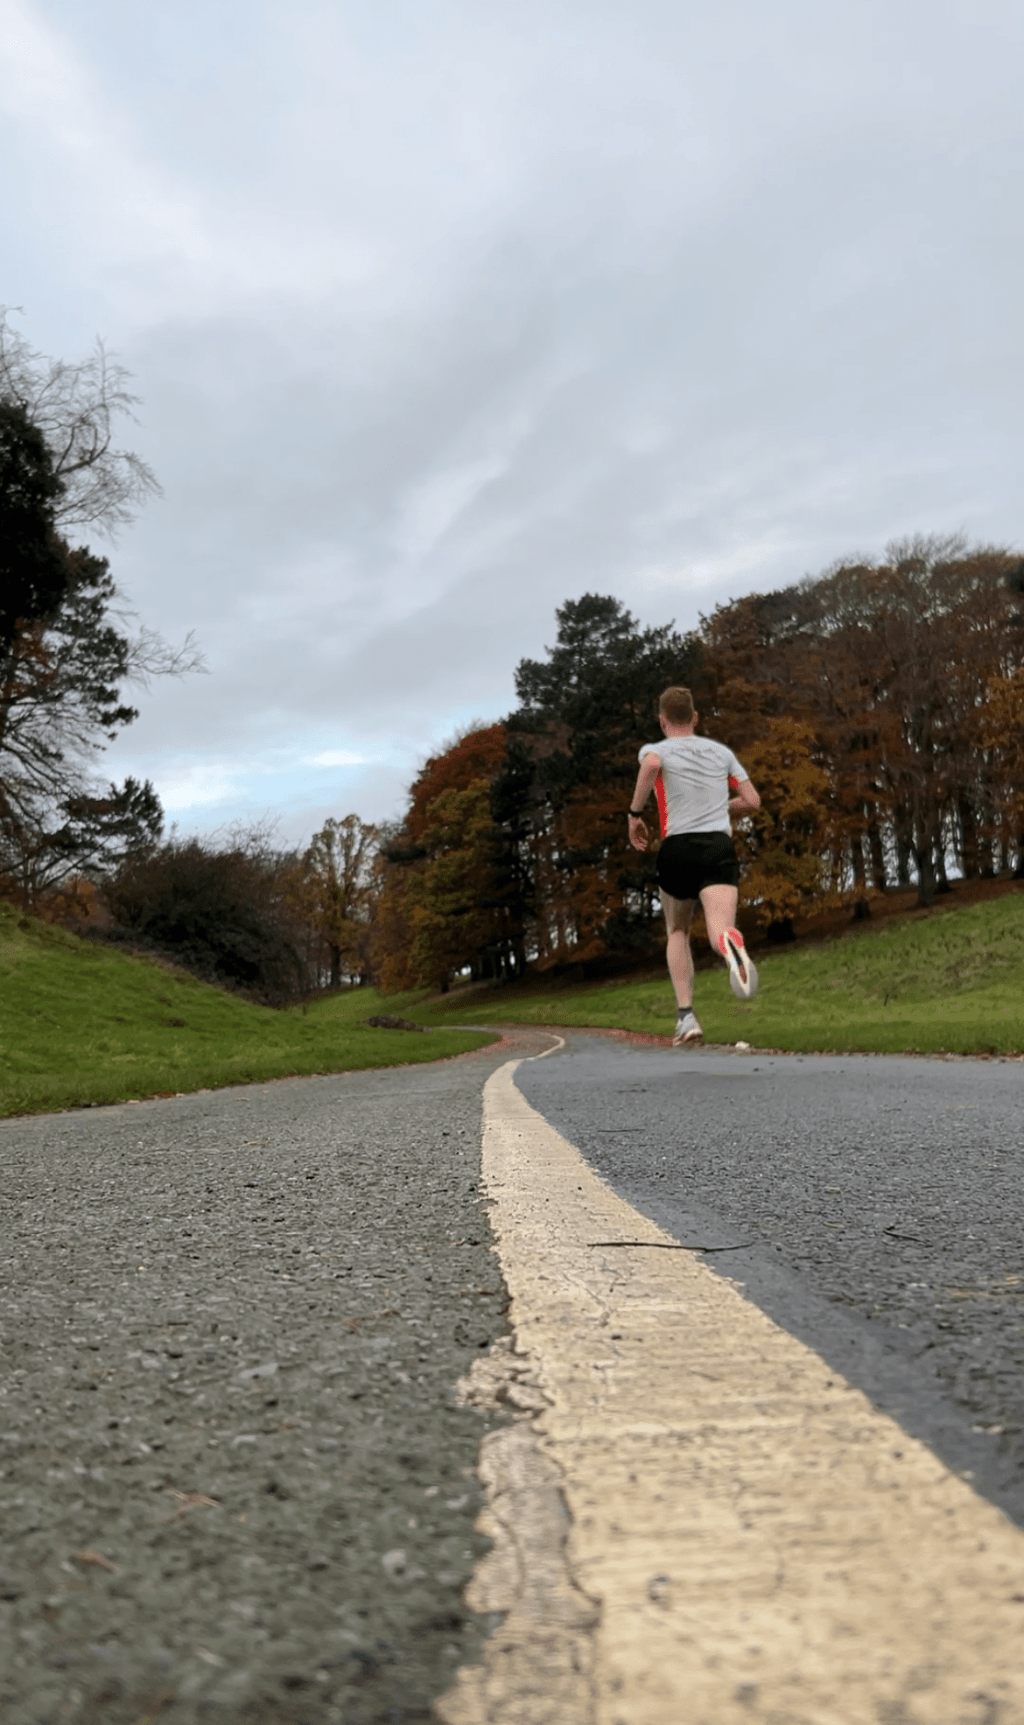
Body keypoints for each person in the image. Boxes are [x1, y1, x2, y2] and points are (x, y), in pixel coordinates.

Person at [628, 686, 761, 1046]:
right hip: (717, 846)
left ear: (662, 720)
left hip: (678, 847)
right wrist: (718, 806)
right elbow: (752, 800)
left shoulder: (656, 750)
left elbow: (651, 766)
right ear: (696, 717)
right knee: (720, 928)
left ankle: (686, 1016)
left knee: (677, 930)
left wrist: (634, 814)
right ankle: (730, 944)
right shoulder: (722, 753)